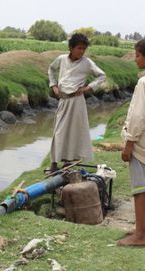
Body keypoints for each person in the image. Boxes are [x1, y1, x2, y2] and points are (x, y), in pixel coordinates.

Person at [47, 33, 106, 172]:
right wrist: (54, 86)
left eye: (84, 49)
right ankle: (54, 163)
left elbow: (102, 75)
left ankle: (68, 162)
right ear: (71, 47)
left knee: (73, 131)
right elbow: (51, 69)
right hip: (63, 99)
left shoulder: (87, 62)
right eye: (79, 48)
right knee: (59, 131)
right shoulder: (61, 59)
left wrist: (87, 88)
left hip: (77, 101)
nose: (81, 51)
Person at [117, 39, 145, 246]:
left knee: (140, 189)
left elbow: (137, 118)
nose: (135, 59)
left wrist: (128, 144)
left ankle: (140, 235)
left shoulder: (144, 83)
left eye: (137, 55)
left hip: (141, 146)